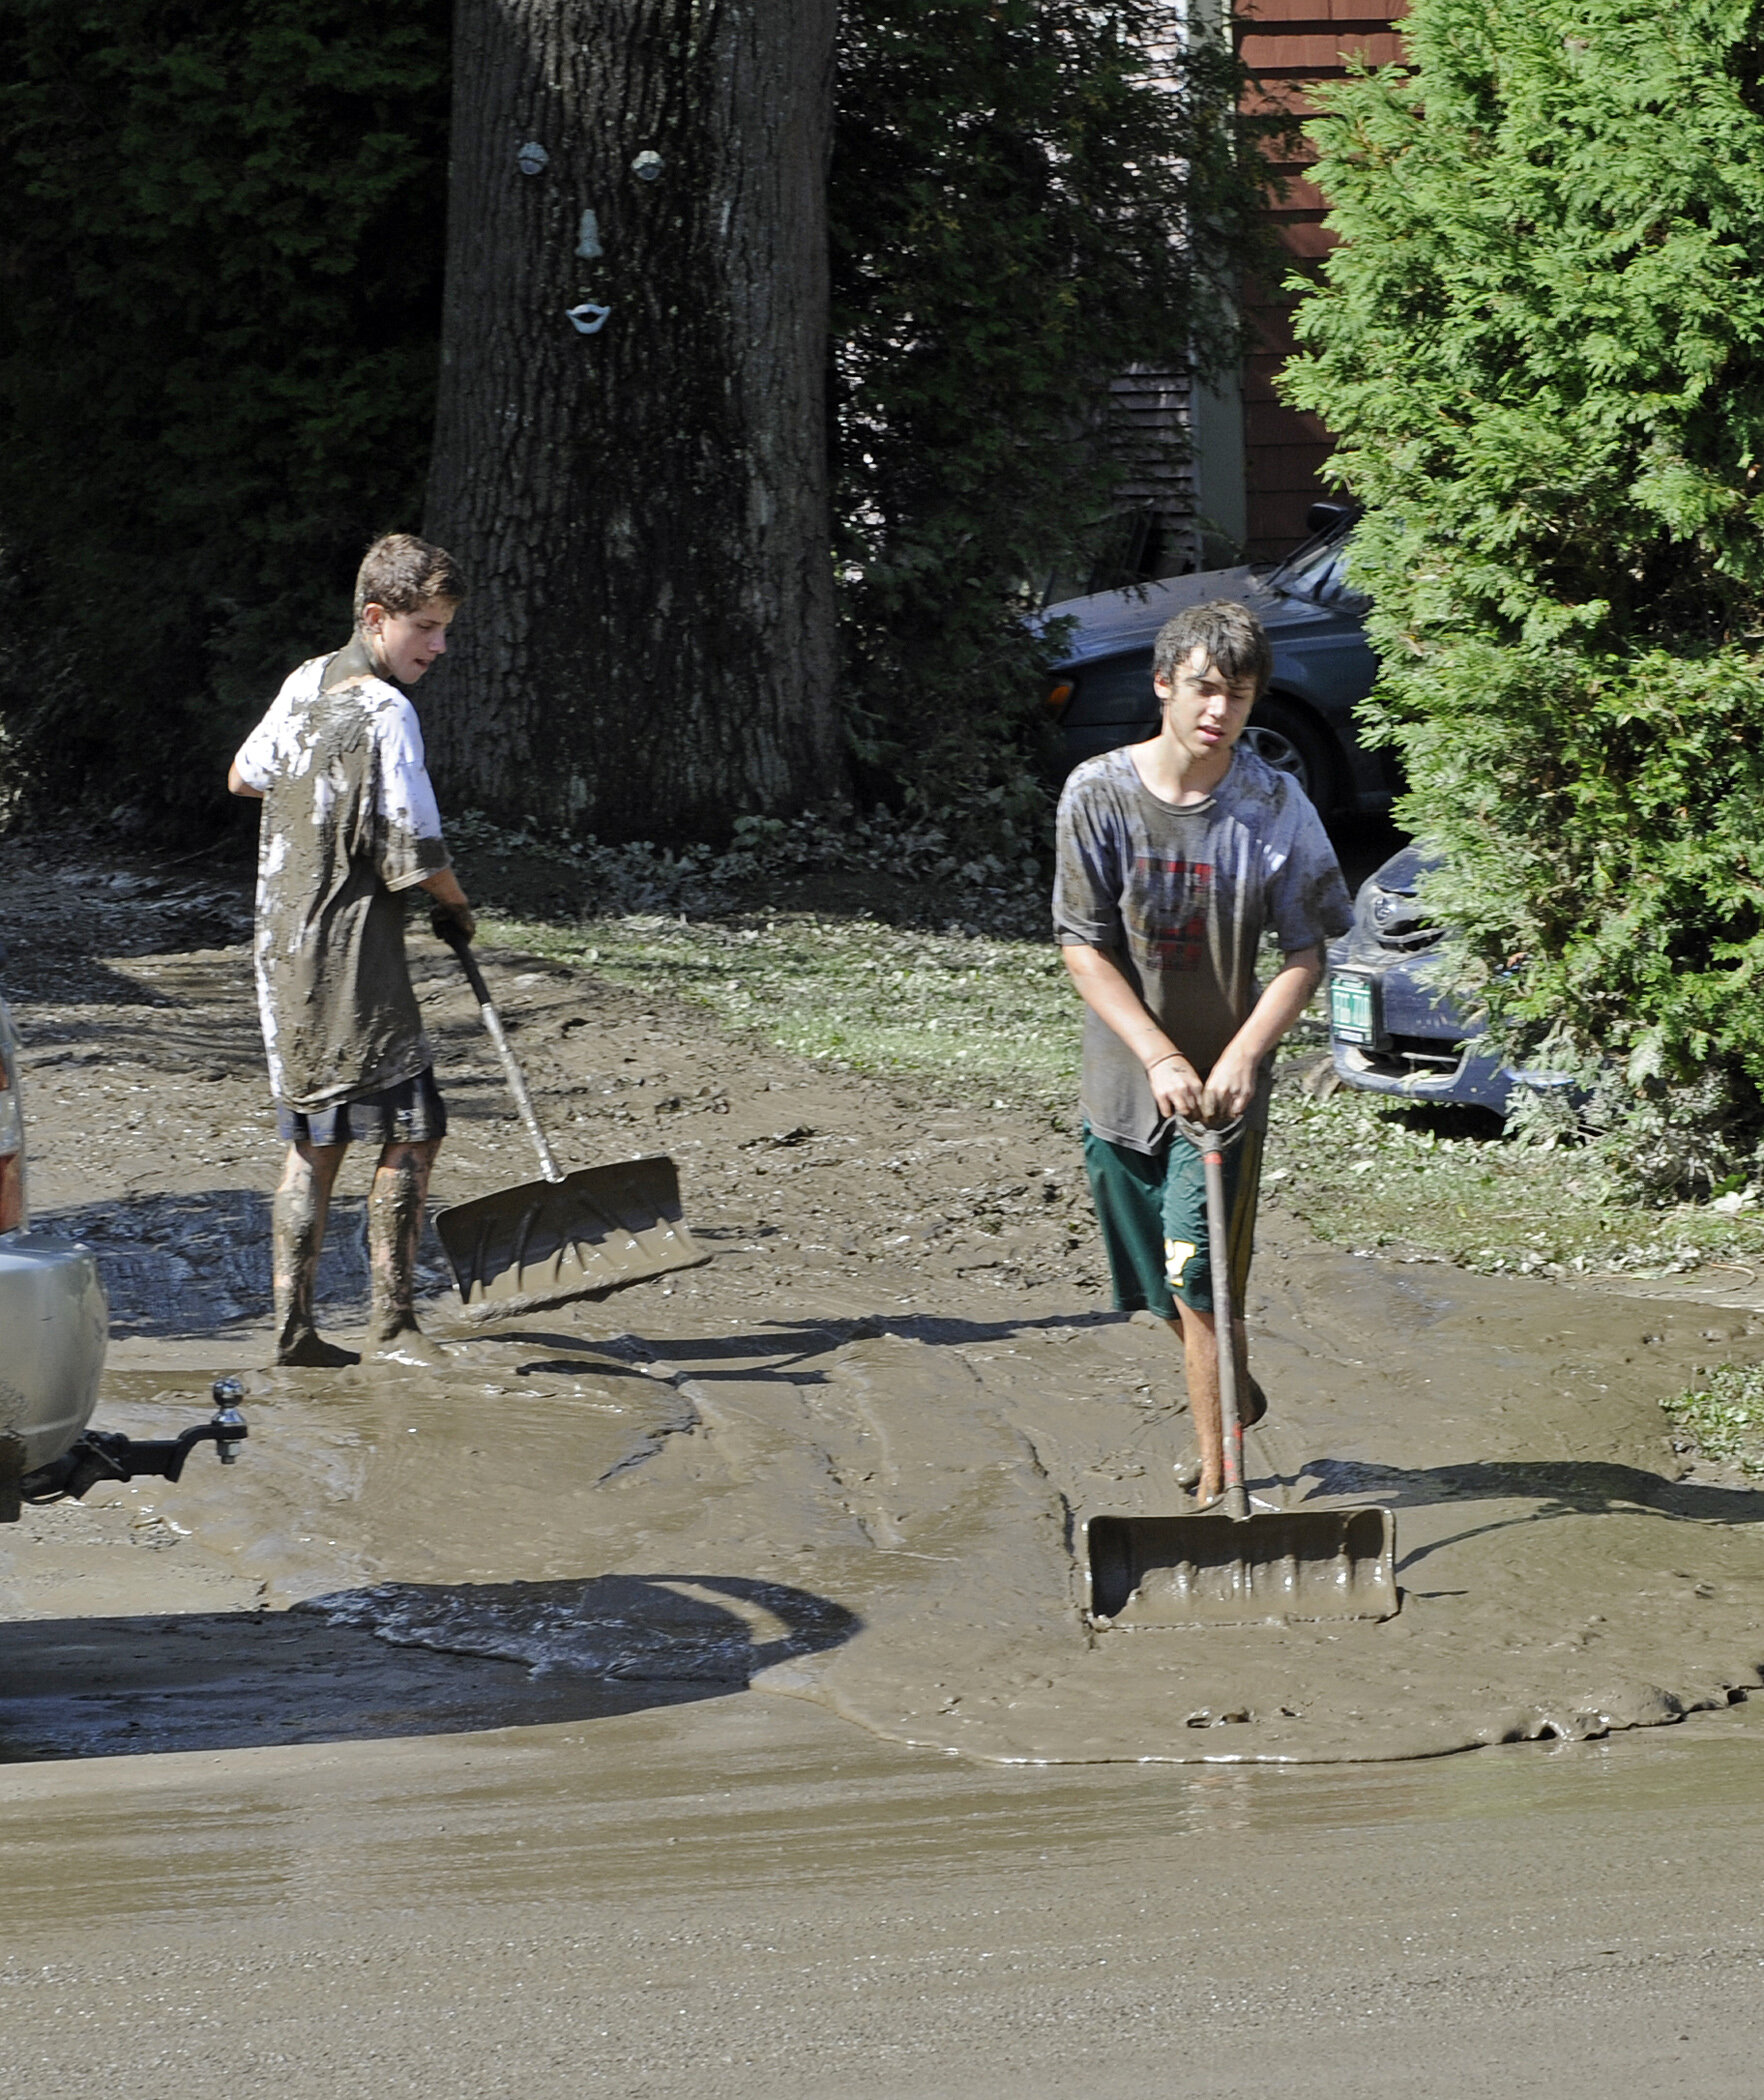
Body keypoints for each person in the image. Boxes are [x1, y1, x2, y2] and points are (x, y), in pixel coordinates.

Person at [1053, 599, 1353, 1505]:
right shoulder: (1098, 794)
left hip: (1221, 1099)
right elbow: (1082, 943)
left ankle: (1221, 1492)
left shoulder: (1272, 802)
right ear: (1165, 687)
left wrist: (1242, 1057)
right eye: (1205, 690)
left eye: (1240, 695)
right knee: (1164, 1291)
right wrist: (1156, 1056)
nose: (1221, 713)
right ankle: (1233, 1392)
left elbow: (1307, 953)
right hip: (1121, 1089)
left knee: (1199, 1287)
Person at [228, 532, 476, 1368]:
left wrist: (321, 794)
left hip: (281, 947)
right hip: (351, 952)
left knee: (314, 1137)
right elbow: (414, 847)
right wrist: (457, 911)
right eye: (428, 628)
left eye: (444, 629)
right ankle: (395, 1323)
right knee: (414, 1125)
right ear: (378, 618)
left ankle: (293, 1330)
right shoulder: (384, 709)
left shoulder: (305, 681)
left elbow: (246, 774)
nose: (439, 646)